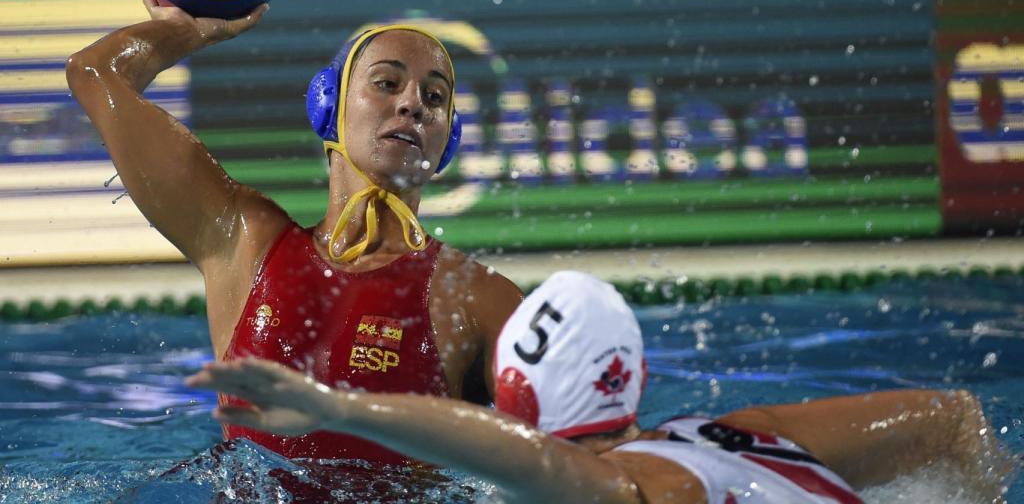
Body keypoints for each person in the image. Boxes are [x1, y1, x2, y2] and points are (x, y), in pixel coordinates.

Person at [65, 0, 522, 462]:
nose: (412, 105)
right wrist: (190, 30)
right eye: (387, 83)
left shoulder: (480, 301)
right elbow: (95, 74)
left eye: (435, 96)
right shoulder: (243, 240)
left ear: (449, 140)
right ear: (328, 104)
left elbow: (575, 464)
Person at [187, 270, 1014, 503]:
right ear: (638, 379)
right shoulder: (740, 433)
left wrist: (338, 406)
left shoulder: (622, 492)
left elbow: (530, 465)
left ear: (508, 393)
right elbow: (954, 421)